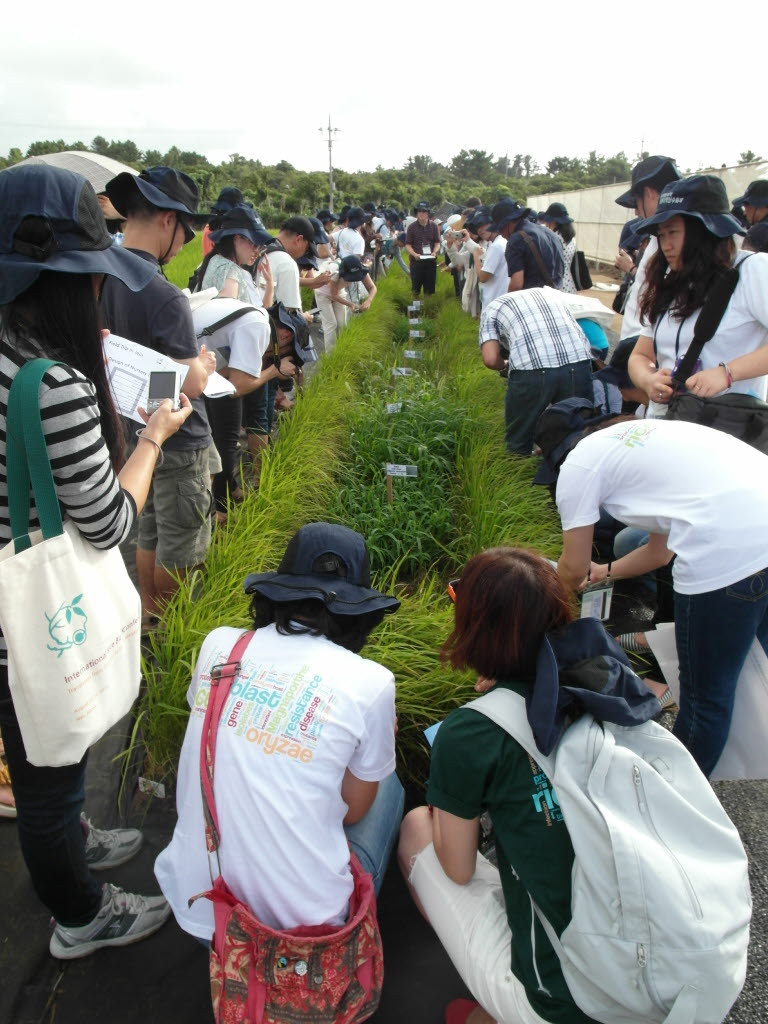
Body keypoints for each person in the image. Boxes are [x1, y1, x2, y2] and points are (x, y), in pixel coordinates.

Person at [0, 163, 193, 957]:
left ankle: (75, 833)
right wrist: (150, 435)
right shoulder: (52, 386)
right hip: (26, 615)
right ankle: (80, 915)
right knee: (45, 763)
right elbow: (111, 522)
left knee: (42, 741)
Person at [155, 522, 405, 943]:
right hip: (303, 935)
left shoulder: (220, 646)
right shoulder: (371, 682)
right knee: (389, 782)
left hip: (201, 909)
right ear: (358, 611)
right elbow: (354, 810)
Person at [397, 548, 617, 1024]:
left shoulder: (471, 732)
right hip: (660, 971)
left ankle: (500, 1006)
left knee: (417, 825)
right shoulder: (608, 685)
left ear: (475, 627)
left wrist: (455, 800)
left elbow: (457, 868)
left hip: (566, 1002)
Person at [543, 413, 768, 777]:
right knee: (750, 665)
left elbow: (569, 571)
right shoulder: (642, 441)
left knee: (705, 699)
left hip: (730, 549)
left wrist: (536, 628)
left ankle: (677, 797)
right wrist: (606, 572)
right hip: (759, 523)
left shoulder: (578, 464)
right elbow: (659, 553)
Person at [100, 166, 216, 627]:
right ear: (168, 220)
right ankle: (171, 633)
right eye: (185, 232)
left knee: (147, 529)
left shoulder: (97, 276)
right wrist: (204, 367)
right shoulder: (163, 293)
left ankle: (146, 621)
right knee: (181, 540)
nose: (184, 242)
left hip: (132, 434)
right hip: (178, 438)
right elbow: (189, 382)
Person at [626, 175, 768, 417]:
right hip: (666, 424)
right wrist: (649, 380)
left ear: (705, 232)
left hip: (723, 432)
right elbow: (640, 355)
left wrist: (727, 373)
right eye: (661, 235)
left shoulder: (752, 271)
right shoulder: (670, 280)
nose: (665, 245)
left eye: (672, 232)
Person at [479, 288, 593, 455]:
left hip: (531, 367)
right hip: (578, 359)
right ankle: (563, 471)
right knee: (577, 433)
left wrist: (504, 365)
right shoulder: (551, 294)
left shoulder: (491, 309)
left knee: (519, 438)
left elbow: (490, 359)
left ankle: (518, 472)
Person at [614, 155, 682, 343]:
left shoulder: (672, 244)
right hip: (643, 346)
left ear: (649, 193)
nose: (636, 212)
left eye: (636, 202)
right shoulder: (656, 238)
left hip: (647, 346)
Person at [490, 199, 564, 292]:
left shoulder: (515, 240)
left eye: (499, 228)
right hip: (557, 296)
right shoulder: (548, 233)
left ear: (507, 223)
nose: (500, 233)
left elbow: (516, 285)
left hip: (534, 300)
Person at [539, 203, 577, 293]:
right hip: (569, 282)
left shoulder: (552, 238)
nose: (546, 223)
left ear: (553, 221)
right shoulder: (572, 239)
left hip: (555, 283)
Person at [405, 202, 441, 297]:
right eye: (419, 211)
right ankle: (415, 310)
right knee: (415, 290)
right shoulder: (412, 227)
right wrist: (414, 254)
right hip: (416, 262)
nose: (421, 213)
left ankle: (427, 309)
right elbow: (408, 244)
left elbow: (437, 242)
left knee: (429, 291)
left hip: (430, 262)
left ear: (428, 213)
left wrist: (434, 252)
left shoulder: (434, 226)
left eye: (424, 211)